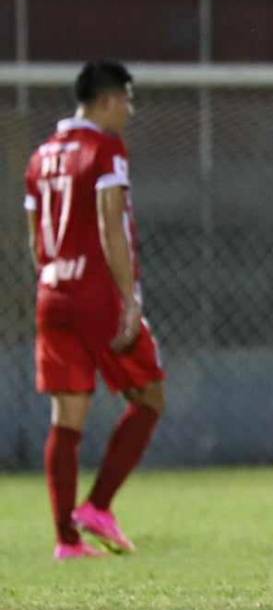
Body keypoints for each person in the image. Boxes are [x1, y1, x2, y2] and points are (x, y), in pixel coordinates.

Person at [24, 61, 165, 560]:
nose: (130, 110)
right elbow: (110, 225)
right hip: (95, 293)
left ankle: (67, 540)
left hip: (52, 291)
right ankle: (98, 507)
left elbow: (35, 236)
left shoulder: (41, 156)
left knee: (67, 418)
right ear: (107, 100)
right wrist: (129, 299)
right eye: (127, 99)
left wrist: (50, 276)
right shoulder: (105, 149)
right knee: (149, 395)